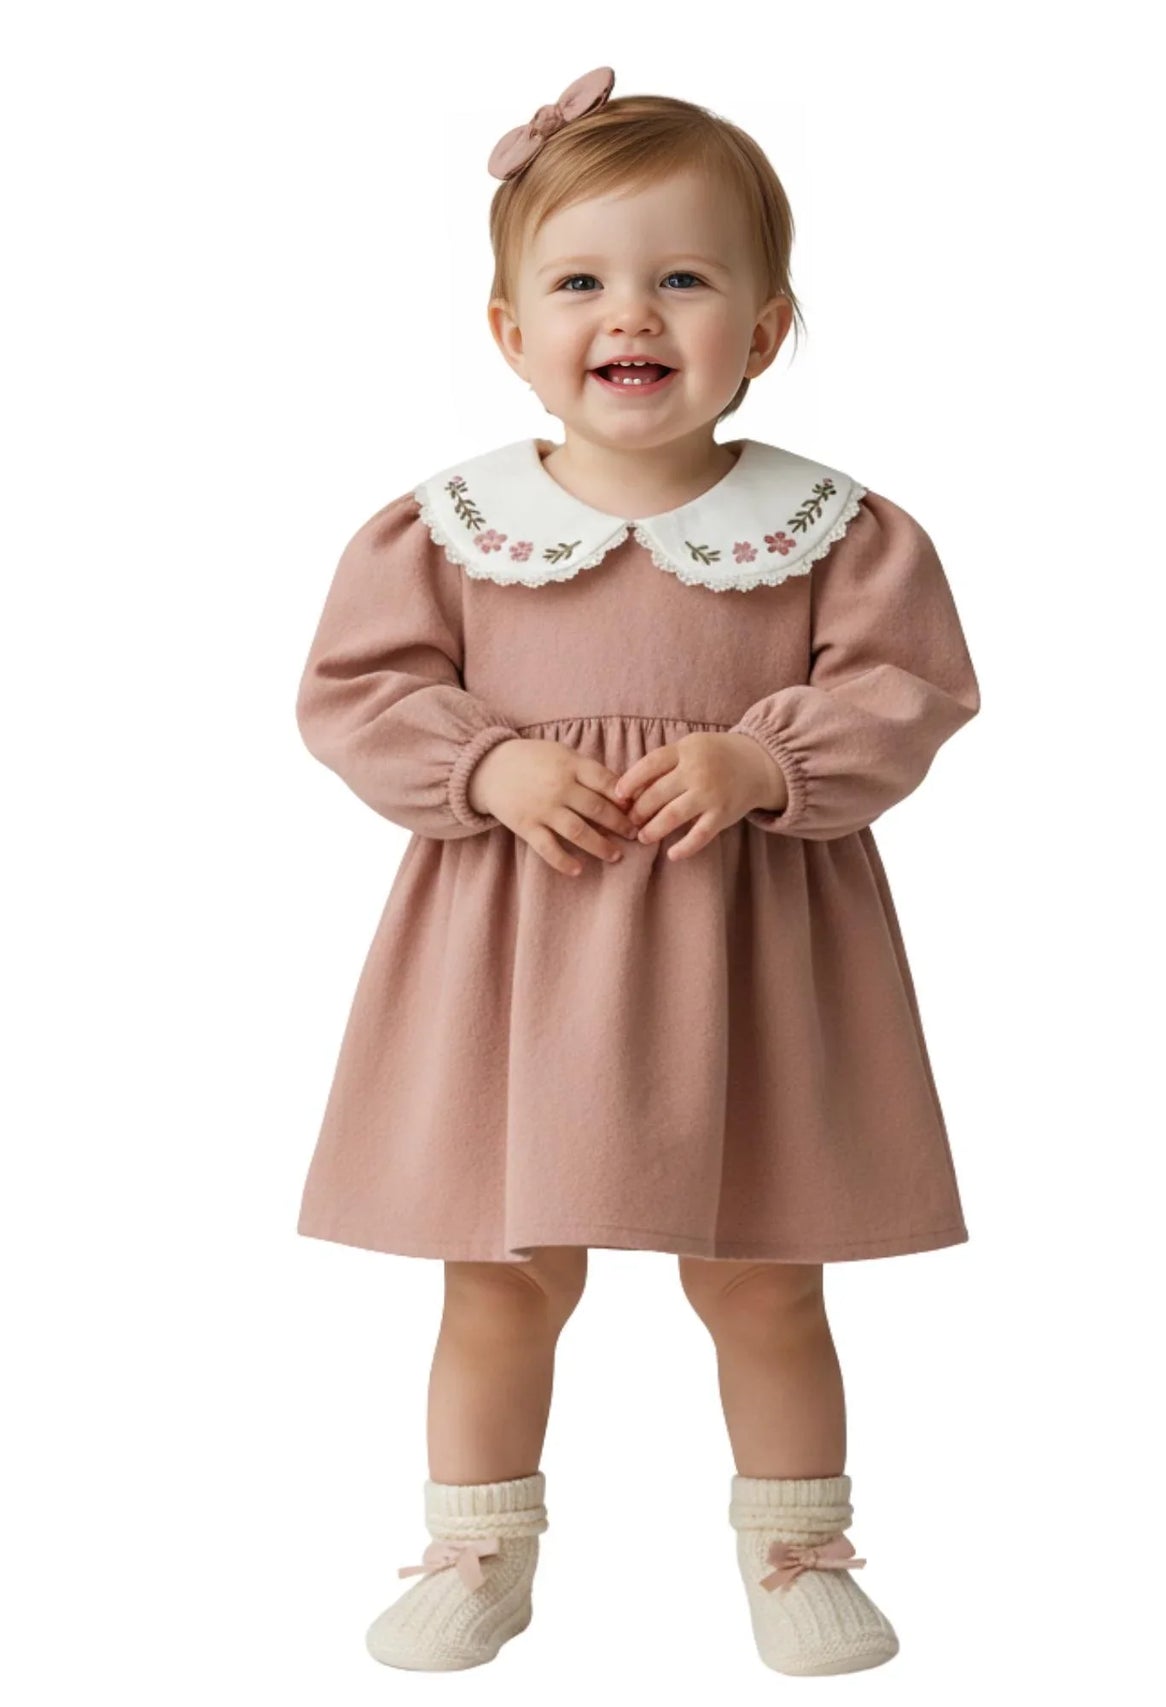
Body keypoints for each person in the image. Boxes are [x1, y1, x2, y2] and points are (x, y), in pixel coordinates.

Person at [293, 67, 981, 1678]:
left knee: (764, 1280)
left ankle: (797, 1543)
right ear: (509, 328)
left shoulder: (832, 528)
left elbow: (911, 688)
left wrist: (768, 759)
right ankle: (478, 1546)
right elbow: (354, 694)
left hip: (747, 957)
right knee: (500, 1279)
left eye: (684, 277)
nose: (635, 315)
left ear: (761, 327)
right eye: (584, 281)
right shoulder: (448, 528)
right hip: (515, 963)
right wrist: (482, 760)